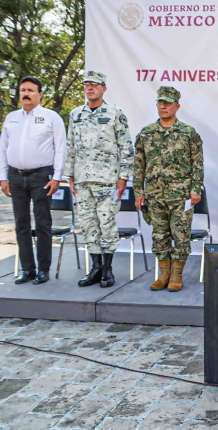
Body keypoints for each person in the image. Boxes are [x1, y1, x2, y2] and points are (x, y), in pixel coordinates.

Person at [65, 71, 134, 288]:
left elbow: (126, 147)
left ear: (103, 88)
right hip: (82, 181)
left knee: (107, 224)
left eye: (94, 84)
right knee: (87, 225)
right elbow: (70, 146)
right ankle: (95, 268)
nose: (90, 87)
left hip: (108, 182)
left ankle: (107, 270)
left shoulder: (115, 113)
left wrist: (123, 177)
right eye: (86, 84)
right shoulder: (76, 114)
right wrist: (70, 175)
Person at [134, 86, 203, 292]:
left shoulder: (188, 133)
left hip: (181, 195)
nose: (163, 106)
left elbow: (197, 163)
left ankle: (176, 274)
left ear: (177, 106)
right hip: (154, 194)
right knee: (159, 235)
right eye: (160, 103)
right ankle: (163, 273)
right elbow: (138, 165)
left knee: (181, 235)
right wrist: (138, 192)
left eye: (167, 103)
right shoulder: (146, 133)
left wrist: (196, 189)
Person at [0, 76, 66, 285]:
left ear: (40, 94)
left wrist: (57, 177)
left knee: (43, 223)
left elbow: (60, 148)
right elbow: (3, 148)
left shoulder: (51, 117)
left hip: (41, 176)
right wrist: (3, 176)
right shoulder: (11, 118)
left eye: (30, 90)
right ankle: (27, 269)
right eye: (23, 90)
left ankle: (43, 270)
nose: (26, 94)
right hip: (16, 176)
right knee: (21, 224)